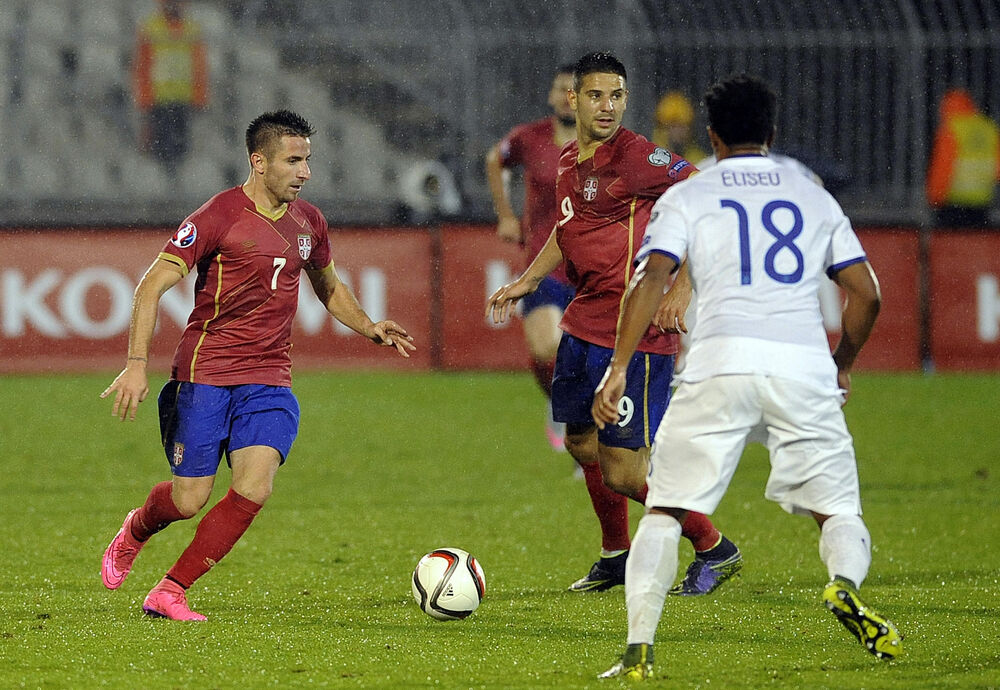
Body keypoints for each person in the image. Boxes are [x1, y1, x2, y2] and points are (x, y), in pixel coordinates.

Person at [593, 74, 902, 680]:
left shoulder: (691, 193)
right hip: (802, 366)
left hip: (719, 362)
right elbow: (867, 293)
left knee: (665, 511)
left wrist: (620, 366)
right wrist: (842, 363)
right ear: (772, 132)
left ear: (711, 135)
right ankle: (842, 583)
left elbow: (651, 280)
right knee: (838, 510)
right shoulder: (812, 194)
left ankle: (638, 649)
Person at [99, 110, 415, 621]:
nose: (305, 172)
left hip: (269, 378)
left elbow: (329, 287)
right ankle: (137, 528)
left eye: (307, 160)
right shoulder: (217, 215)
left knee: (254, 488)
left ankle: (170, 591)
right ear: (259, 161)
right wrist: (137, 364)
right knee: (189, 500)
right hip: (206, 374)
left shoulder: (309, 222)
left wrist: (368, 326)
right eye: (293, 161)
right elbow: (151, 286)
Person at [488, 52, 741, 595]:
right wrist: (529, 280)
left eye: (617, 96)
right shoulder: (567, 161)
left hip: (634, 329)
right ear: (573, 100)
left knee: (625, 472)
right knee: (582, 443)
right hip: (583, 322)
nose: (608, 106)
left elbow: (707, 199)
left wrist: (683, 284)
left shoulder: (638, 157)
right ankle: (615, 555)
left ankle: (715, 547)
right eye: (597, 95)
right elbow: (566, 231)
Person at [485, 64, 577, 453]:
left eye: (575, 90)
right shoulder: (530, 138)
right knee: (545, 349)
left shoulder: (605, 145)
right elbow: (495, 159)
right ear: (551, 95)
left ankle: (583, 429)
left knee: (589, 360)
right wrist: (506, 215)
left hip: (592, 268)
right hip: (543, 265)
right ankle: (560, 404)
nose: (567, 97)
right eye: (561, 89)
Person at [133, 0, 209, 178]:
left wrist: (199, 97)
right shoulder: (150, 29)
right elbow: (142, 66)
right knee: (158, 151)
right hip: (158, 102)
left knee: (181, 151)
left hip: (184, 101)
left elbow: (199, 67)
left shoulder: (192, 30)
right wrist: (145, 98)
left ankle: (175, 178)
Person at [926, 87, 1000, 228]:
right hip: (982, 204)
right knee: (977, 240)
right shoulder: (989, 129)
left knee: (953, 241)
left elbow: (942, 169)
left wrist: (934, 198)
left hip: (953, 205)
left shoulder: (951, 130)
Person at [651, 91, 707, 165]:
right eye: (673, 126)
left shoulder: (698, 159)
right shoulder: (651, 159)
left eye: (683, 126)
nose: (679, 131)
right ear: (662, 129)